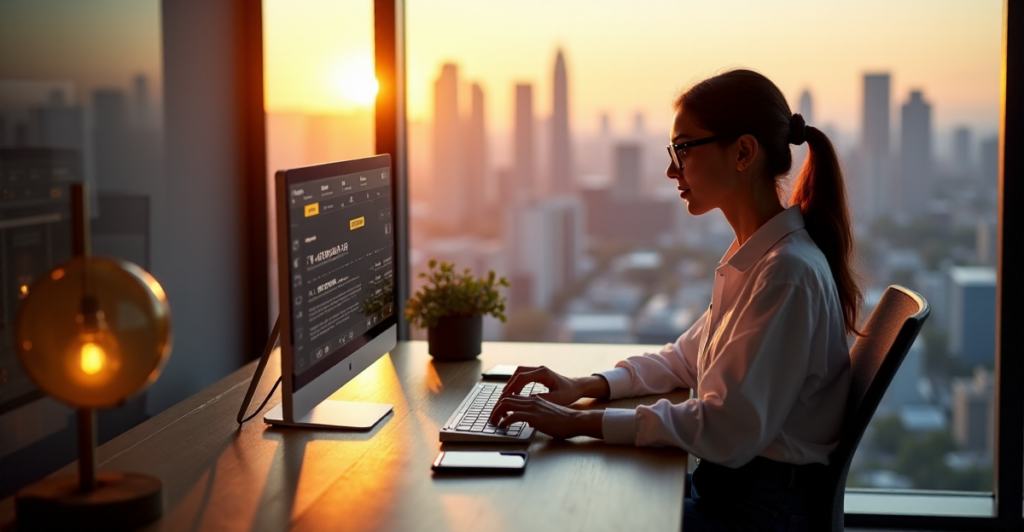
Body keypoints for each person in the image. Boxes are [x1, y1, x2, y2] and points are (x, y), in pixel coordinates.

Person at [489, 69, 861, 531]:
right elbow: (683, 361)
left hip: (763, 513)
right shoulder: (757, 258)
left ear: (743, 152)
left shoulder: (785, 273)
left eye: (683, 149)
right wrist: (585, 387)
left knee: (568, 512)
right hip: (740, 493)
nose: (671, 169)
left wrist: (578, 423)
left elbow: (726, 429)